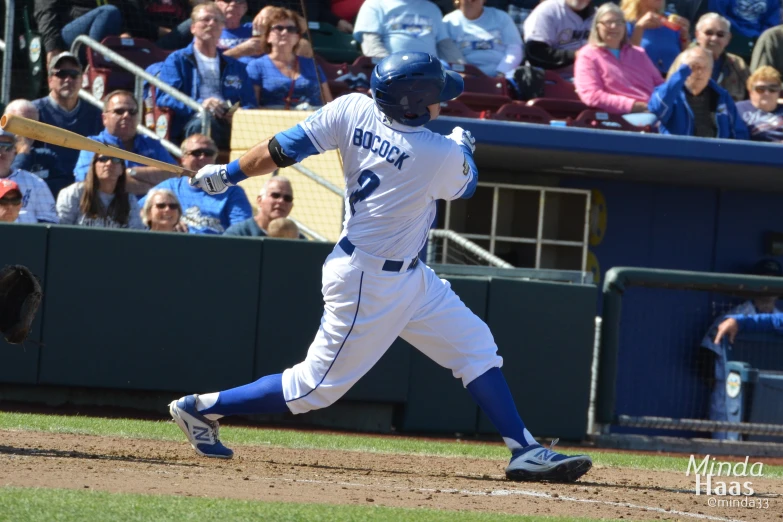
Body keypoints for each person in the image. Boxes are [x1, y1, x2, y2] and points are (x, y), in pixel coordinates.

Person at [169, 51, 593, 483]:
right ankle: (200, 408)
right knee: (312, 389)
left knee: (475, 346)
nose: (442, 101)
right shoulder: (438, 153)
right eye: (435, 94)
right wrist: (464, 146)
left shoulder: (352, 107)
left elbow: (283, 148)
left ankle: (524, 449)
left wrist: (227, 173)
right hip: (368, 281)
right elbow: (467, 186)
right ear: (414, 103)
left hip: (408, 275)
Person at [156, 2, 257, 149]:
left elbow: (250, 103)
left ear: (222, 28)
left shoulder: (235, 65)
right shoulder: (177, 60)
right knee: (205, 122)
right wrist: (199, 105)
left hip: (231, 125)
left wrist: (239, 114)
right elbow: (164, 97)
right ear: (193, 28)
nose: (212, 24)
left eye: (217, 20)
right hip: (192, 121)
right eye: (206, 20)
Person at [140, 134, 252, 234]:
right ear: (183, 159)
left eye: (208, 153)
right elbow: (137, 212)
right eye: (196, 153)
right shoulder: (169, 188)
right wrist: (169, 222)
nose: (203, 157)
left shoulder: (232, 192)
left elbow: (241, 231)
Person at [73, 90, 179, 196]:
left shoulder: (152, 144)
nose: (126, 116)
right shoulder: (92, 145)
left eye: (132, 112)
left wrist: (132, 172)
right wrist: (153, 186)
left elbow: (175, 175)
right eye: (119, 111)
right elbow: (91, 182)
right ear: (104, 118)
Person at [574, 3, 664, 114]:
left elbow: (660, 85)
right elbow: (592, 95)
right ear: (597, 26)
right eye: (608, 22)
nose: (614, 26)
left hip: (654, 110)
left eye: (619, 22)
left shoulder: (638, 53)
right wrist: (636, 106)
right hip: (620, 116)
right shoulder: (588, 55)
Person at [31, 52, 103, 190]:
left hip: (84, 188)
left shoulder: (95, 113)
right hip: (44, 186)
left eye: (74, 74)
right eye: (62, 74)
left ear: (82, 80)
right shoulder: (33, 111)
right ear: (50, 79)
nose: (68, 79)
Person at [648, 46, 749, 138]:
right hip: (678, 154)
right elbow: (657, 110)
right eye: (694, 67)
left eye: (704, 67)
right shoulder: (671, 94)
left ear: (711, 72)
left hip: (715, 154)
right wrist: (683, 71)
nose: (699, 72)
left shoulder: (722, 96)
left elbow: (738, 132)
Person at [247, 8, 333, 109]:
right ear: (267, 37)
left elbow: (329, 104)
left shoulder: (312, 65)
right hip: (274, 122)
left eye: (291, 29)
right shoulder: (256, 66)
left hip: (313, 121)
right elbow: (251, 107)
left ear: (297, 37)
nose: (285, 32)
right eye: (278, 28)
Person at [667, 13, 749, 101]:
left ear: (728, 39)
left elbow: (752, 96)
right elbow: (669, 94)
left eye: (720, 34)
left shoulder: (738, 64)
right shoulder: (684, 60)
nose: (714, 38)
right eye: (709, 33)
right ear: (697, 35)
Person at [56, 154, 144, 229]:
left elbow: (137, 235)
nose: (109, 163)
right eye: (103, 159)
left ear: (122, 169)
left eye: (116, 159)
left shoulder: (130, 200)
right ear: (94, 166)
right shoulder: (73, 193)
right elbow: (60, 229)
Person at [443, 0, 524, 78]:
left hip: (501, 76)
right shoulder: (448, 22)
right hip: (464, 78)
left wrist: (502, 72)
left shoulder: (501, 17)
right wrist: (463, 73)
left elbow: (515, 49)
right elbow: (445, 52)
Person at [0, 130, 58, 224]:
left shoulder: (35, 183)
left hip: (30, 237)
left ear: (15, 150)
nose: (2, 152)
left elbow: (49, 222)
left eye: (7, 147)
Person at [522, 0, 595, 74]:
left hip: (587, 76)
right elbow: (534, 52)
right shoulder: (548, 11)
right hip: (547, 78)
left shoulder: (598, 15)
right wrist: (576, 55)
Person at [621, 0, 690, 74]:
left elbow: (686, 58)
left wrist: (684, 36)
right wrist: (639, 28)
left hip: (673, 81)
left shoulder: (671, 20)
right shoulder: (624, 22)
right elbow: (627, 59)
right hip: (641, 81)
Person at [223, 176, 300, 237]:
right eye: (275, 195)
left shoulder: (298, 240)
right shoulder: (238, 234)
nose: (281, 201)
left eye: (287, 198)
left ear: (291, 206)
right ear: (259, 200)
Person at [736, 65, 783, 141]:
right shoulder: (738, 110)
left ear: (779, 92)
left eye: (773, 89)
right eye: (760, 89)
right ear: (750, 91)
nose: (767, 93)